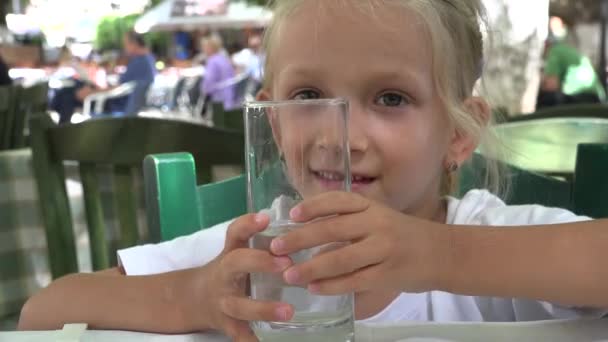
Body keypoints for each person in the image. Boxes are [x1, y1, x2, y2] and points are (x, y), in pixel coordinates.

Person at [19, 1, 608, 340]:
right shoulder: (255, 252)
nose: (336, 135)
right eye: (307, 96)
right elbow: (43, 312)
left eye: (390, 99)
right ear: (274, 123)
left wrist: (440, 255)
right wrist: (193, 295)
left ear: (457, 134)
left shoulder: (483, 233)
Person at [77, 31, 157, 115]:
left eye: (126, 44)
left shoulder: (140, 61)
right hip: (123, 102)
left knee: (69, 95)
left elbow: (118, 88)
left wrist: (92, 92)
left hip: (117, 105)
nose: (125, 48)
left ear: (134, 44)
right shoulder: (148, 58)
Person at [537, 17, 606, 108]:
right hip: (597, 98)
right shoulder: (569, 49)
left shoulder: (554, 51)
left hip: (579, 97)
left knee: (545, 99)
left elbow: (552, 85)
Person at [200, 35, 237, 111]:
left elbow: (207, 85)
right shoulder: (224, 59)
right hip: (231, 100)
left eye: (204, 47)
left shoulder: (212, 61)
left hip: (218, 101)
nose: (203, 49)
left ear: (210, 47)